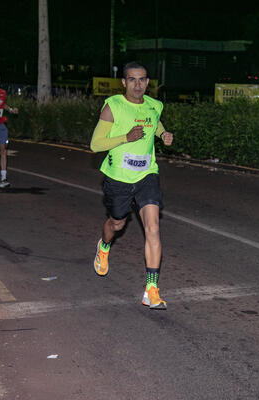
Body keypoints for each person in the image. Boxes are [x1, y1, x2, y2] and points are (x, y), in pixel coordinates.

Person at [90, 61, 174, 310]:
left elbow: (154, 122)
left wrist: (163, 134)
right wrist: (126, 137)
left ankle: (151, 289)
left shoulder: (154, 106)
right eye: (132, 80)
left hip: (147, 175)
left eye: (142, 80)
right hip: (118, 178)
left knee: (153, 227)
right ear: (124, 82)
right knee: (117, 223)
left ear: (148, 83)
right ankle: (104, 246)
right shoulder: (113, 106)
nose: (138, 84)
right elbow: (95, 144)